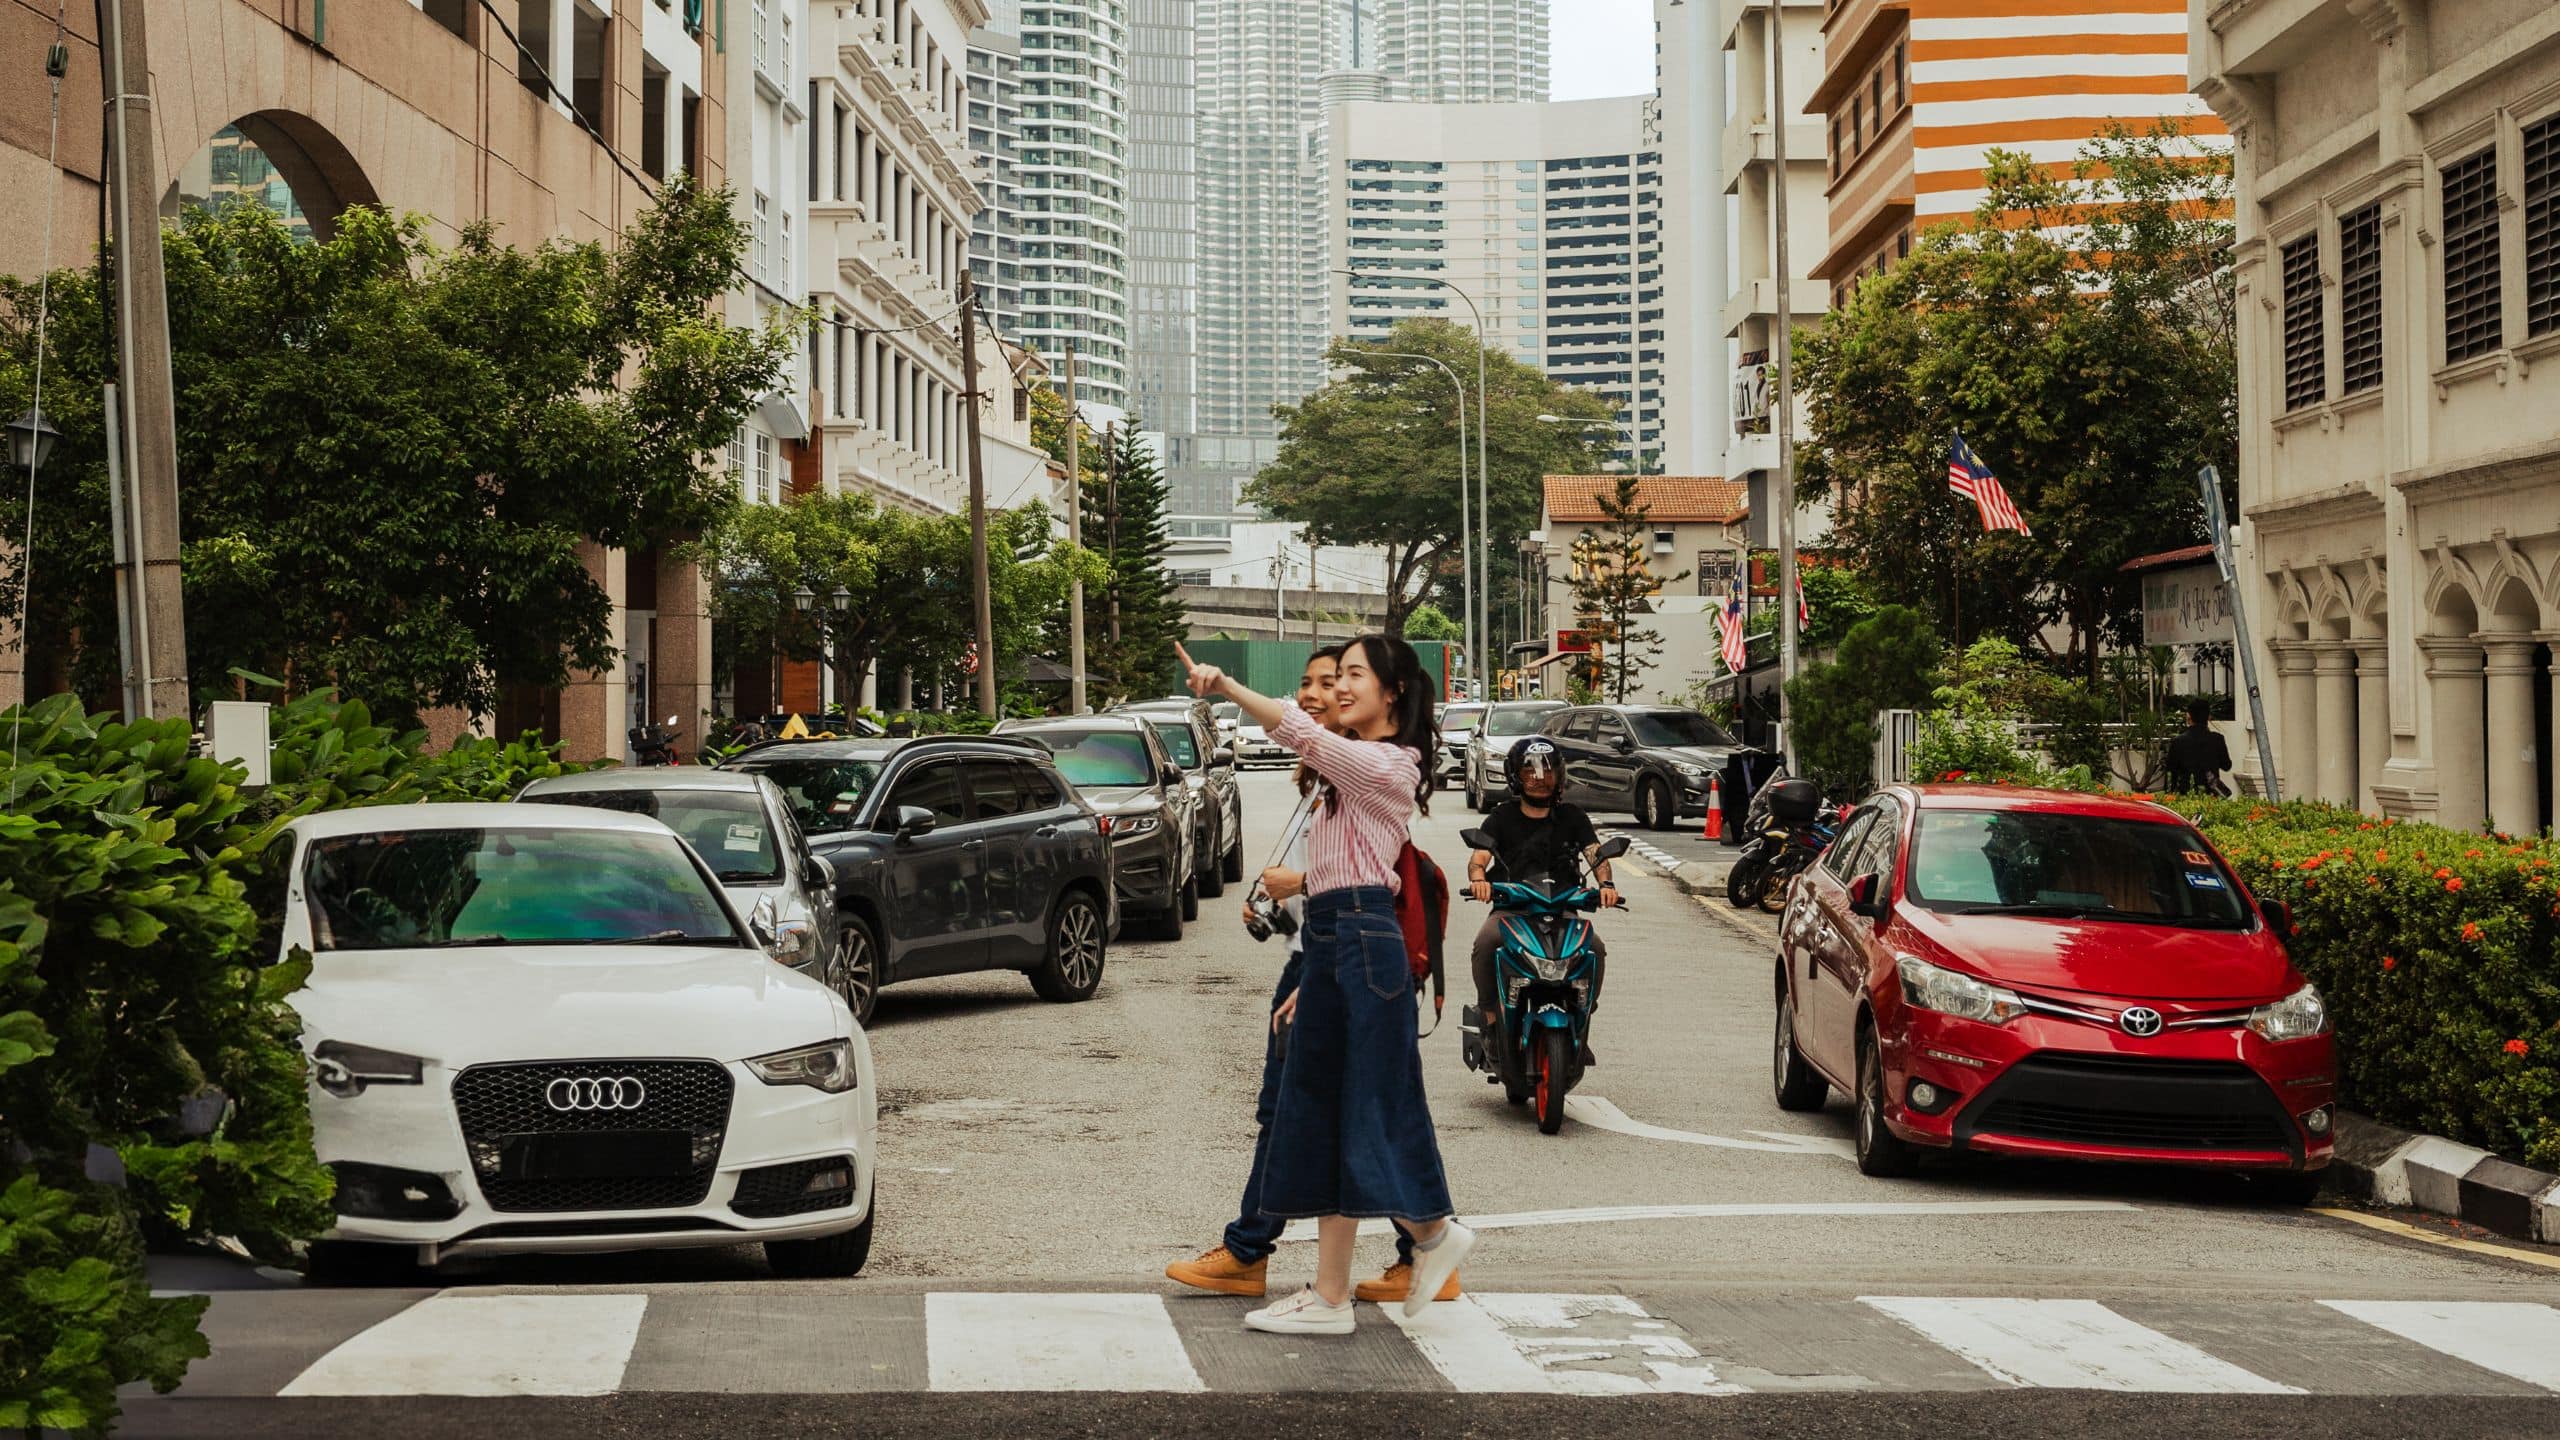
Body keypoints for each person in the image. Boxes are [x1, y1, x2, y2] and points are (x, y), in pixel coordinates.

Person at [1175, 636, 1474, 1335]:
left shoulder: (1386, 764)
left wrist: (1225, 687)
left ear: (1393, 691)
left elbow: (1297, 730)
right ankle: (1334, 1294)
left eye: (1354, 676)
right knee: (1321, 1112)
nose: (1338, 687)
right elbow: (1339, 887)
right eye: (1335, 676)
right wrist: (1314, 975)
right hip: (1341, 944)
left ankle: (1430, 1232)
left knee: (1363, 1107)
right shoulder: (1351, 776)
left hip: (1364, 939)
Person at [1462, 737, 1617, 1069]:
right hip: (1513, 908)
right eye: (1529, 770)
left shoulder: (1573, 816)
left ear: (1559, 775)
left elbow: (1595, 853)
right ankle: (1490, 1019)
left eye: (1546, 770)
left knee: (1596, 949)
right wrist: (1479, 882)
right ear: (1515, 776)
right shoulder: (1501, 817)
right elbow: (1479, 860)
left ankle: (1583, 1014)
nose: (1538, 777)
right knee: (1485, 944)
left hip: (1562, 906)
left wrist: (1606, 884)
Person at [2163, 701, 2233, 795]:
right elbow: (2226, 766)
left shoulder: (2178, 741)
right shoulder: (2217, 739)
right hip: (2211, 796)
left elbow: (2171, 772)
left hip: (2186, 795)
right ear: (2209, 717)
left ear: (2189, 717)